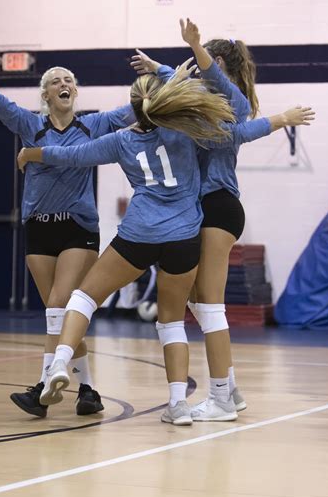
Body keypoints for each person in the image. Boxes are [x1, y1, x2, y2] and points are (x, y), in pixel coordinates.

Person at [17, 63, 241, 425]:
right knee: (171, 324)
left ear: (131, 109)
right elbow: (237, 127)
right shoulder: (183, 130)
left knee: (83, 298)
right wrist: (277, 121)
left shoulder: (120, 139)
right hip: (184, 236)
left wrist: (32, 154)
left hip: (139, 234)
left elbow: (71, 155)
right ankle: (178, 406)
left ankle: (59, 361)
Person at [130, 19, 315, 421]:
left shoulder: (234, 101)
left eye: (202, 64)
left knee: (210, 306)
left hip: (218, 206)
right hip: (208, 208)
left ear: (214, 63)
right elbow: (189, 80)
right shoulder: (208, 100)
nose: (195, 72)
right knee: (200, 301)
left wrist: (194, 45)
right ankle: (230, 388)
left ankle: (219, 400)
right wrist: (157, 66)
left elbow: (209, 77)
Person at [0, 26, 135, 418]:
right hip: (39, 225)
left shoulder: (95, 124)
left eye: (68, 79)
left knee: (59, 304)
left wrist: (172, 78)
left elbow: (137, 109)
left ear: (76, 91)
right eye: (55, 81)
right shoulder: (29, 125)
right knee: (60, 315)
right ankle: (88, 390)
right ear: (46, 94)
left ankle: (42, 389)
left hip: (78, 227)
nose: (63, 83)